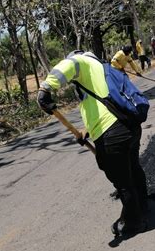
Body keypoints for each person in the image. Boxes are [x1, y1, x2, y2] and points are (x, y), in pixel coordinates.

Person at [36, 50, 148, 236]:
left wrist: (46, 88)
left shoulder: (81, 61)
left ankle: (134, 222)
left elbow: (71, 64)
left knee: (121, 180)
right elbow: (100, 103)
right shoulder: (102, 69)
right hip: (130, 126)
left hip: (112, 133)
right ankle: (143, 207)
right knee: (133, 168)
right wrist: (86, 131)